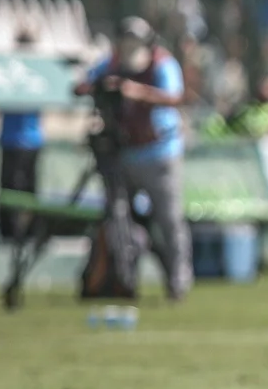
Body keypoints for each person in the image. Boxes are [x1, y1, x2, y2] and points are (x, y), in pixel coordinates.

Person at [78, 17, 192, 301]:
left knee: (169, 220)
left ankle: (178, 281)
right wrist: (99, 87)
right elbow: (85, 83)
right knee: (119, 219)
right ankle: (122, 278)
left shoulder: (162, 64)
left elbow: (175, 97)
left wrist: (136, 92)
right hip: (124, 154)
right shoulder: (113, 62)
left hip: (160, 155)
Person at [0, 29, 43, 238]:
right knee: (14, 192)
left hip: (24, 141)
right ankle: (13, 232)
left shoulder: (29, 71)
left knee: (21, 192)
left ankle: (23, 233)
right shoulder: (14, 69)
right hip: (16, 140)